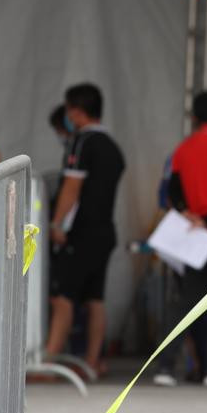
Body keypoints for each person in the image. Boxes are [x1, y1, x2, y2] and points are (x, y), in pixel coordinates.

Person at [153, 85, 207, 388]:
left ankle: (165, 367)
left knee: (185, 303)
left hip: (192, 236)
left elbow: (173, 190)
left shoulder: (185, 147)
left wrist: (189, 213)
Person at [45, 83, 125, 378]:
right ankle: (93, 362)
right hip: (105, 231)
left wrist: (56, 223)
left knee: (62, 297)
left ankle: (49, 364)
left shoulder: (82, 142)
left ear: (77, 113)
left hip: (79, 233)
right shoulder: (113, 147)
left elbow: (71, 187)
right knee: (95, 299)